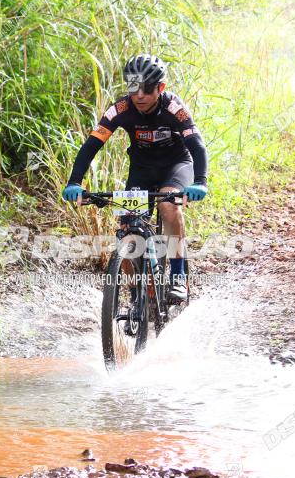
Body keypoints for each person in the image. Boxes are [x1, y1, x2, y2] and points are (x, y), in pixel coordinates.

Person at [62, 54, 209, 303]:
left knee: (168, 206)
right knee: (127, 231)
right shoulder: (121, 108)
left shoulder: (174, 107)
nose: (139, 94)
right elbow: (91, 146)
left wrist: (200, 181)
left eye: (147, 88)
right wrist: (75, 182)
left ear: (160, 88)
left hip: (176, 165)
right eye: (133, 87)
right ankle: (137, 299)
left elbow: (197, 145)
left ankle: (178, 275)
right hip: (141, 169)